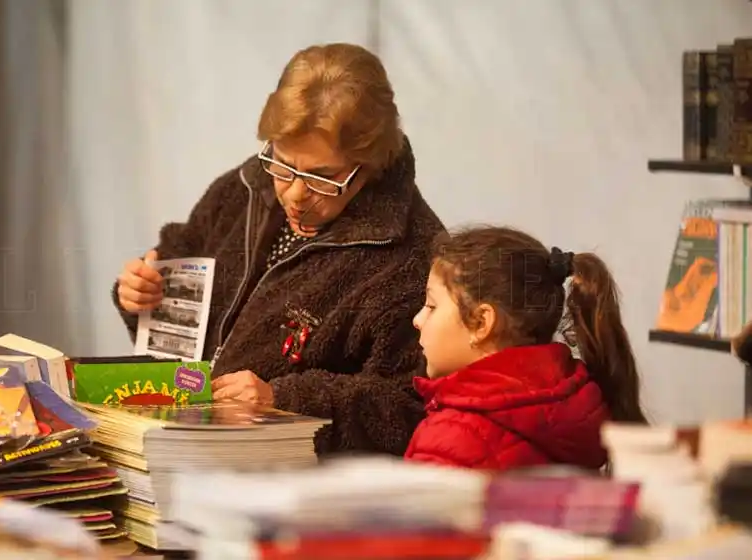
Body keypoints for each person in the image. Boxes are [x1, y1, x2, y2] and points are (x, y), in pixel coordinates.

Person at [113, 43, 445, 456]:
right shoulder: (241, 190)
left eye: (323, 178)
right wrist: (141, 294)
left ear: (371, 164)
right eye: (284, 165)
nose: (296, 194)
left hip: (290, 491)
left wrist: (285, 403)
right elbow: (178, 258)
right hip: (175, 448)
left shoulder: (413, 259)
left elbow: (410, 410)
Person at [404, 225, 648, 470]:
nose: (417, 320)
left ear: (481, 323)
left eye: (432, 306)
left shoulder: (449, 442)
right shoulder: (573, 407)